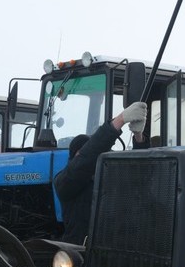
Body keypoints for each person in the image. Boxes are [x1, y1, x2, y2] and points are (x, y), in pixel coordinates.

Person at [54, 102, 148, 245]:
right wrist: (119, 120)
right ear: (75, 156)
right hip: (80, 251)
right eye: (83, 153)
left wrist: (139, 138)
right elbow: (85, 161)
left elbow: (139, 176)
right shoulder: (65, 182)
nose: (92, 158)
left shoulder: (108, 177)